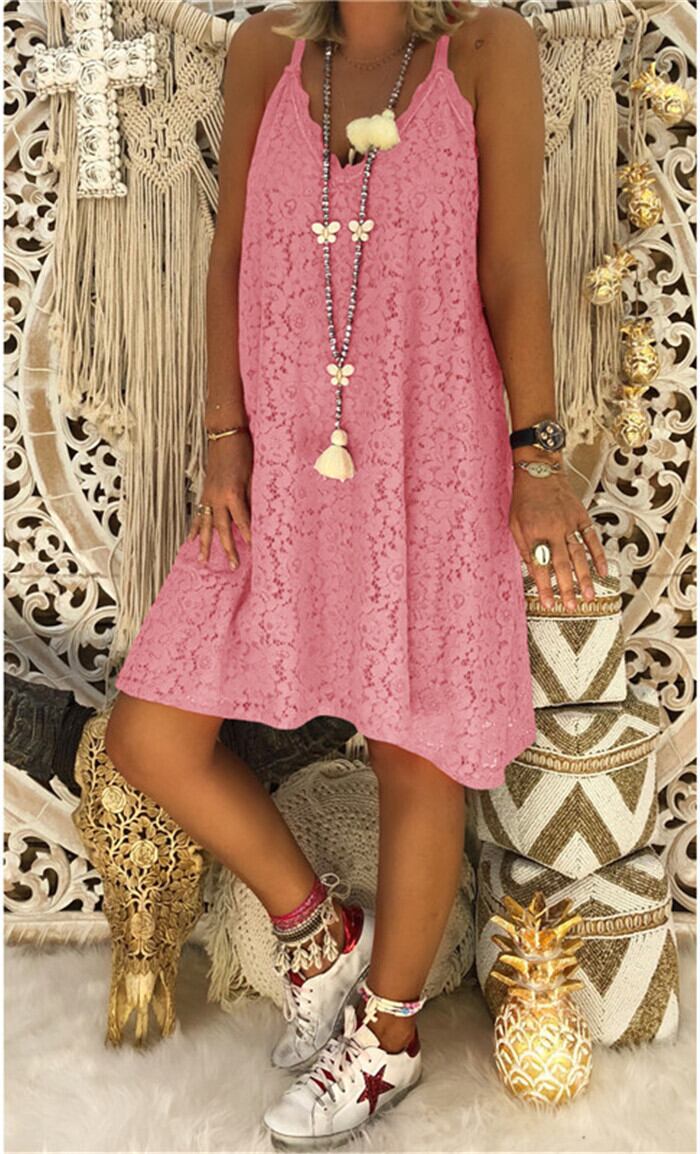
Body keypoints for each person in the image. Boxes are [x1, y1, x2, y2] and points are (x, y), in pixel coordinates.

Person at [105, 0, 607, 1146]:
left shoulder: (487, 50)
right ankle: (316, 933)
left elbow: (513, 263)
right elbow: (232, 255)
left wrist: (536, 456)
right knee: (150, 734)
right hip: (281, 462)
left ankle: (387, 1036)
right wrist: (223, 435)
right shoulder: (264, 54)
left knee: (409, 742)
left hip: (431, 451)